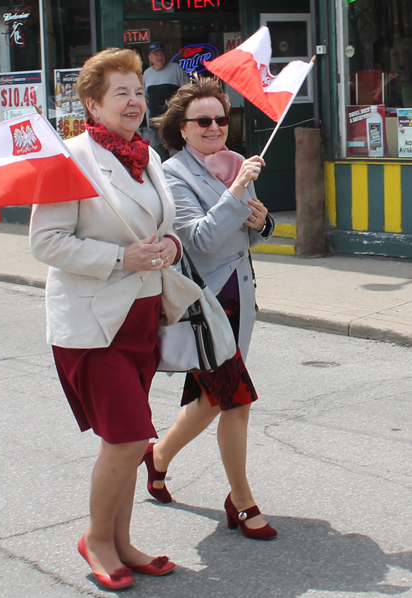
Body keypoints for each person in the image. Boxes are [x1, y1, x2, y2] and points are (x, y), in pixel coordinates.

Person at [29, 48, 197, 590]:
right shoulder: (67, 159)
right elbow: (45, 242)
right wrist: (120, 259)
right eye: (120, 92)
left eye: (138, 91)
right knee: (128, 438)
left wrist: (169, 245)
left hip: (144, 317)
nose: (133, 102)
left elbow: (163, 223)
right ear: (92, 102)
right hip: (94, 324)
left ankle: (122, 540)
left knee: (123, 440)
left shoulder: (144, 156)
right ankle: (97, 539)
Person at [143, 76, 277, 540]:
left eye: (222, 119)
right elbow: (197, 241)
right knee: (235, 400)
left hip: (241, 297)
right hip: (206, 306)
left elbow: (248, 236)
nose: (215, 127)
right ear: (182, 128)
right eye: (203, 120)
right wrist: (236, 190)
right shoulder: (173, 174)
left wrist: (262, 223)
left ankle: (156, 458)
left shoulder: (234, 164)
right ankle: (241, 501)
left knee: (211, 401)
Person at [143, 42, 188, 161]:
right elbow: (145, 100)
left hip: (172, 122)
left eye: (161, 54)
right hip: (154, 125)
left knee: (177, 155)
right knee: (157, 157)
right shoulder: (147, 74)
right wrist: (148, 123)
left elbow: (187, 93)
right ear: (150, 57)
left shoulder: (176, 69)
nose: (159, 57)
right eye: (156, 55)